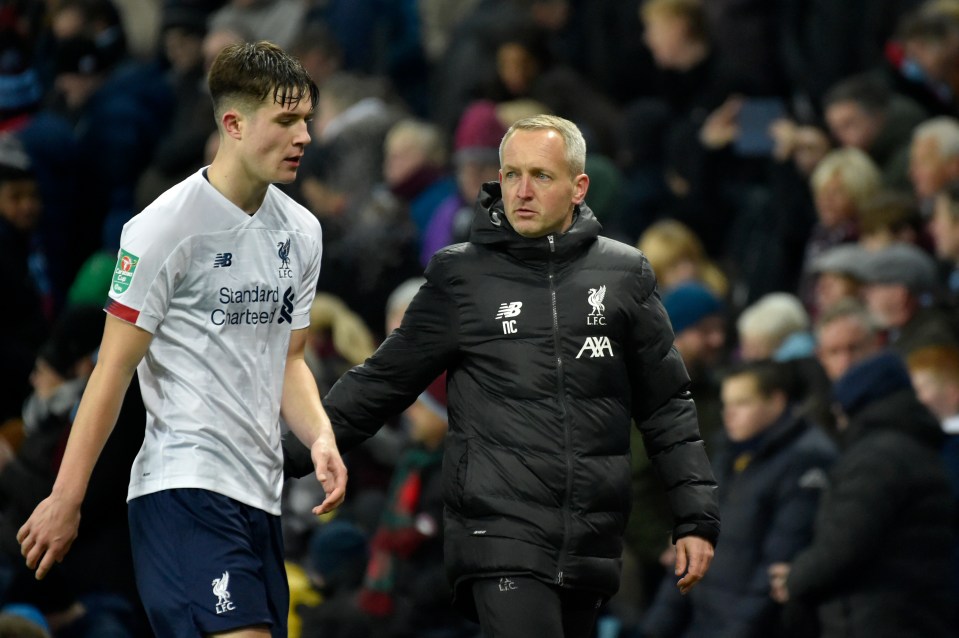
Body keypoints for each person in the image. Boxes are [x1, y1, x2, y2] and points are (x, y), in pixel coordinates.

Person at [285, 114, 720, 637]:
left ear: (578, 187)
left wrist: (694, 519)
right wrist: (292, 450)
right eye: (511, 174)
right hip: (499, 535)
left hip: (589, 540)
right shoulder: (462, 277)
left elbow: (667, 407)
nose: (522, 190)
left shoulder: (626, 275)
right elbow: (382, 380)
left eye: (540, 175)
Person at [16, 41, 347, 638]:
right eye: (286, 120)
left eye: (307, 120)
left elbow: (289, 358)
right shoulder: (163, 228)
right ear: (233, 123)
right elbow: (111, 372)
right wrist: (67, 497)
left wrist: (319, 435)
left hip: (260, 495)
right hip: (182, 489)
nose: (303, 136)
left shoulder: (301, 231)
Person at [640, 360, 837, 638]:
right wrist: (655, 628)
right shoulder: (728, 452)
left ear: (776, 401)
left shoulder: (805, 460)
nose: (728, 414)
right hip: (704, 620)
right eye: (725, 404)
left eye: (742, 403)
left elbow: (774, 568)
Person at [768, 351, 956, 638]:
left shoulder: (877, 459)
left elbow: (845, 543)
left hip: (878, 618)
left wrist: (795, 577)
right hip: (910, 613)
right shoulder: (912, 445)